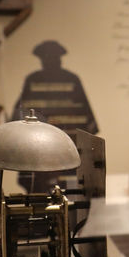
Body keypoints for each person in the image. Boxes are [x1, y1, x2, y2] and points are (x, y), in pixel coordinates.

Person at [12, 40, 98, 191]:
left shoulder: (70, 79)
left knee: (67, 197)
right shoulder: (34, 80)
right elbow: (20, 114)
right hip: (45, 153)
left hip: (65, 153)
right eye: (48, 58)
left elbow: (87, 122)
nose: (51, 61)